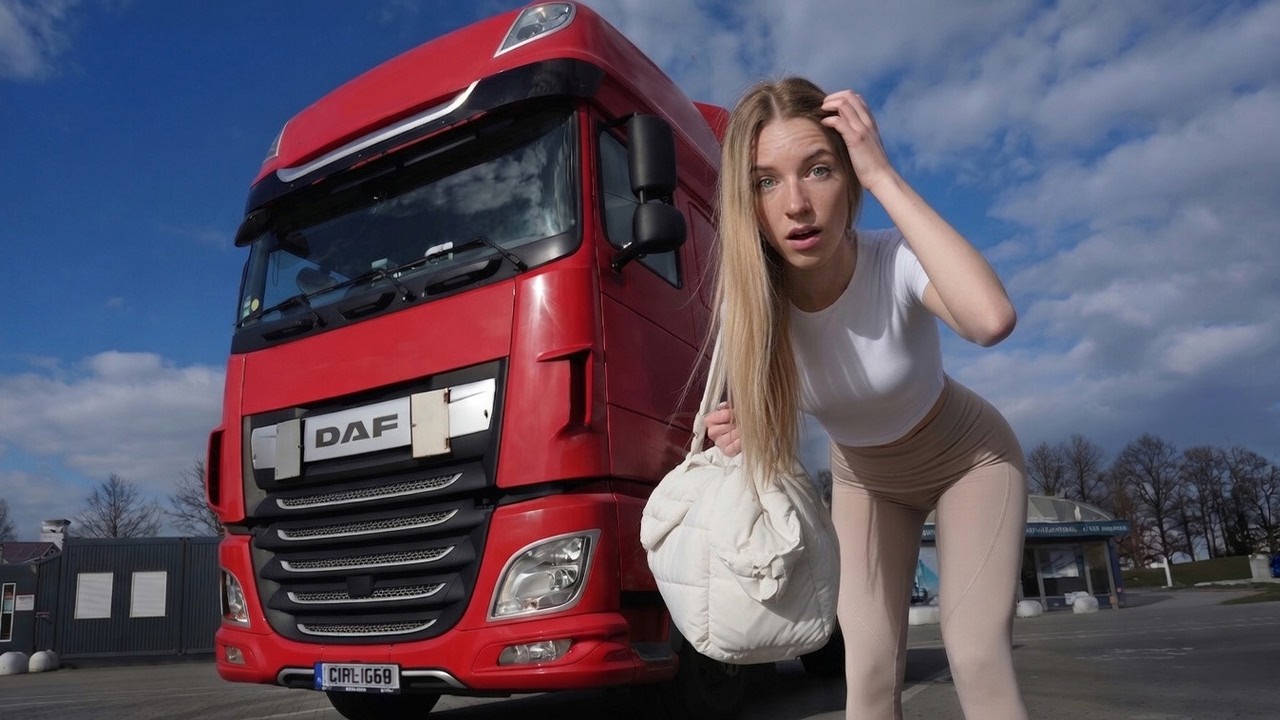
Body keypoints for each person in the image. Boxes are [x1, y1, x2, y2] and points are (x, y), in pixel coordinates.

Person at [702, 76, 1030, 720]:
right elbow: (766, 419)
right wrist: (740, 427)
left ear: (847, 178)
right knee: (869, 671)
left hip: (972, 461)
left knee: (975, 653)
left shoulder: (894, 262)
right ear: (748, 202)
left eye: (817, 170)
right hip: (865, 483)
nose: (795, 203)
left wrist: (882, 175)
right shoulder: (754, 314)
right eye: (767, 181)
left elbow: (991, 319)